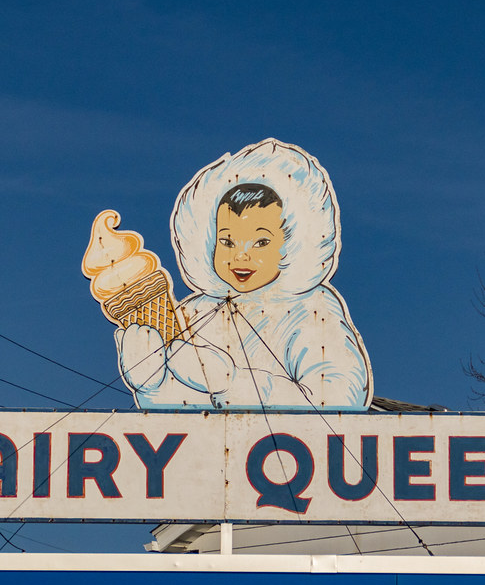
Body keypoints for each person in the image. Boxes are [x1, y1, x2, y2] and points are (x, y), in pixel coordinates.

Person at [115, 138, 373, 411]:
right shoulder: (193, 314)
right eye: (227, 242)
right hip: (209, 452)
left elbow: (338, 400)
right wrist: (153, 385)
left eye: (260, 243)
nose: (240, 256)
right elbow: (185, 418)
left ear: (290, 244)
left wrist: (233, 383)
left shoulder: (313, 311)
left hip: (291, 452)